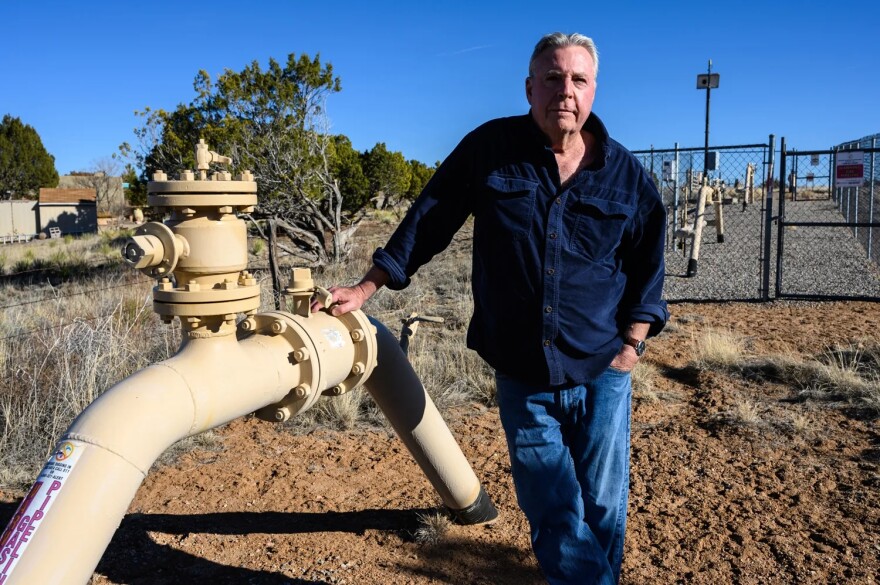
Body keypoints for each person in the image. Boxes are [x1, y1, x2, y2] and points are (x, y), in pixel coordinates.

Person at [316, 32, 668, 585]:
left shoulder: (625, 176)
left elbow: (649, 262)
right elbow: (427, 222)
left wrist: (633, 343)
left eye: (578, 80)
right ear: (530, 88)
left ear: (594, 90)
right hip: (523, 371)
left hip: (603, 369)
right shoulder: (490, 150)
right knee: (552, 507)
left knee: (604, 505)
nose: (565, 91)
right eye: (552, 78)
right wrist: (366, 288)